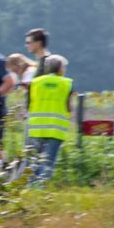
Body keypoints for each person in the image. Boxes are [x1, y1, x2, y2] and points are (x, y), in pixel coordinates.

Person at [25, 54, 75, 186]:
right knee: (48, 162)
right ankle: (41, 188)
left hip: (37, 128)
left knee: (34, 160)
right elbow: (69, 107)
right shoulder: (66, 83)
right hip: (55, 129)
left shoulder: (35, 82)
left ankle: (31, 186)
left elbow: (29, 103)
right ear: (60, 68)